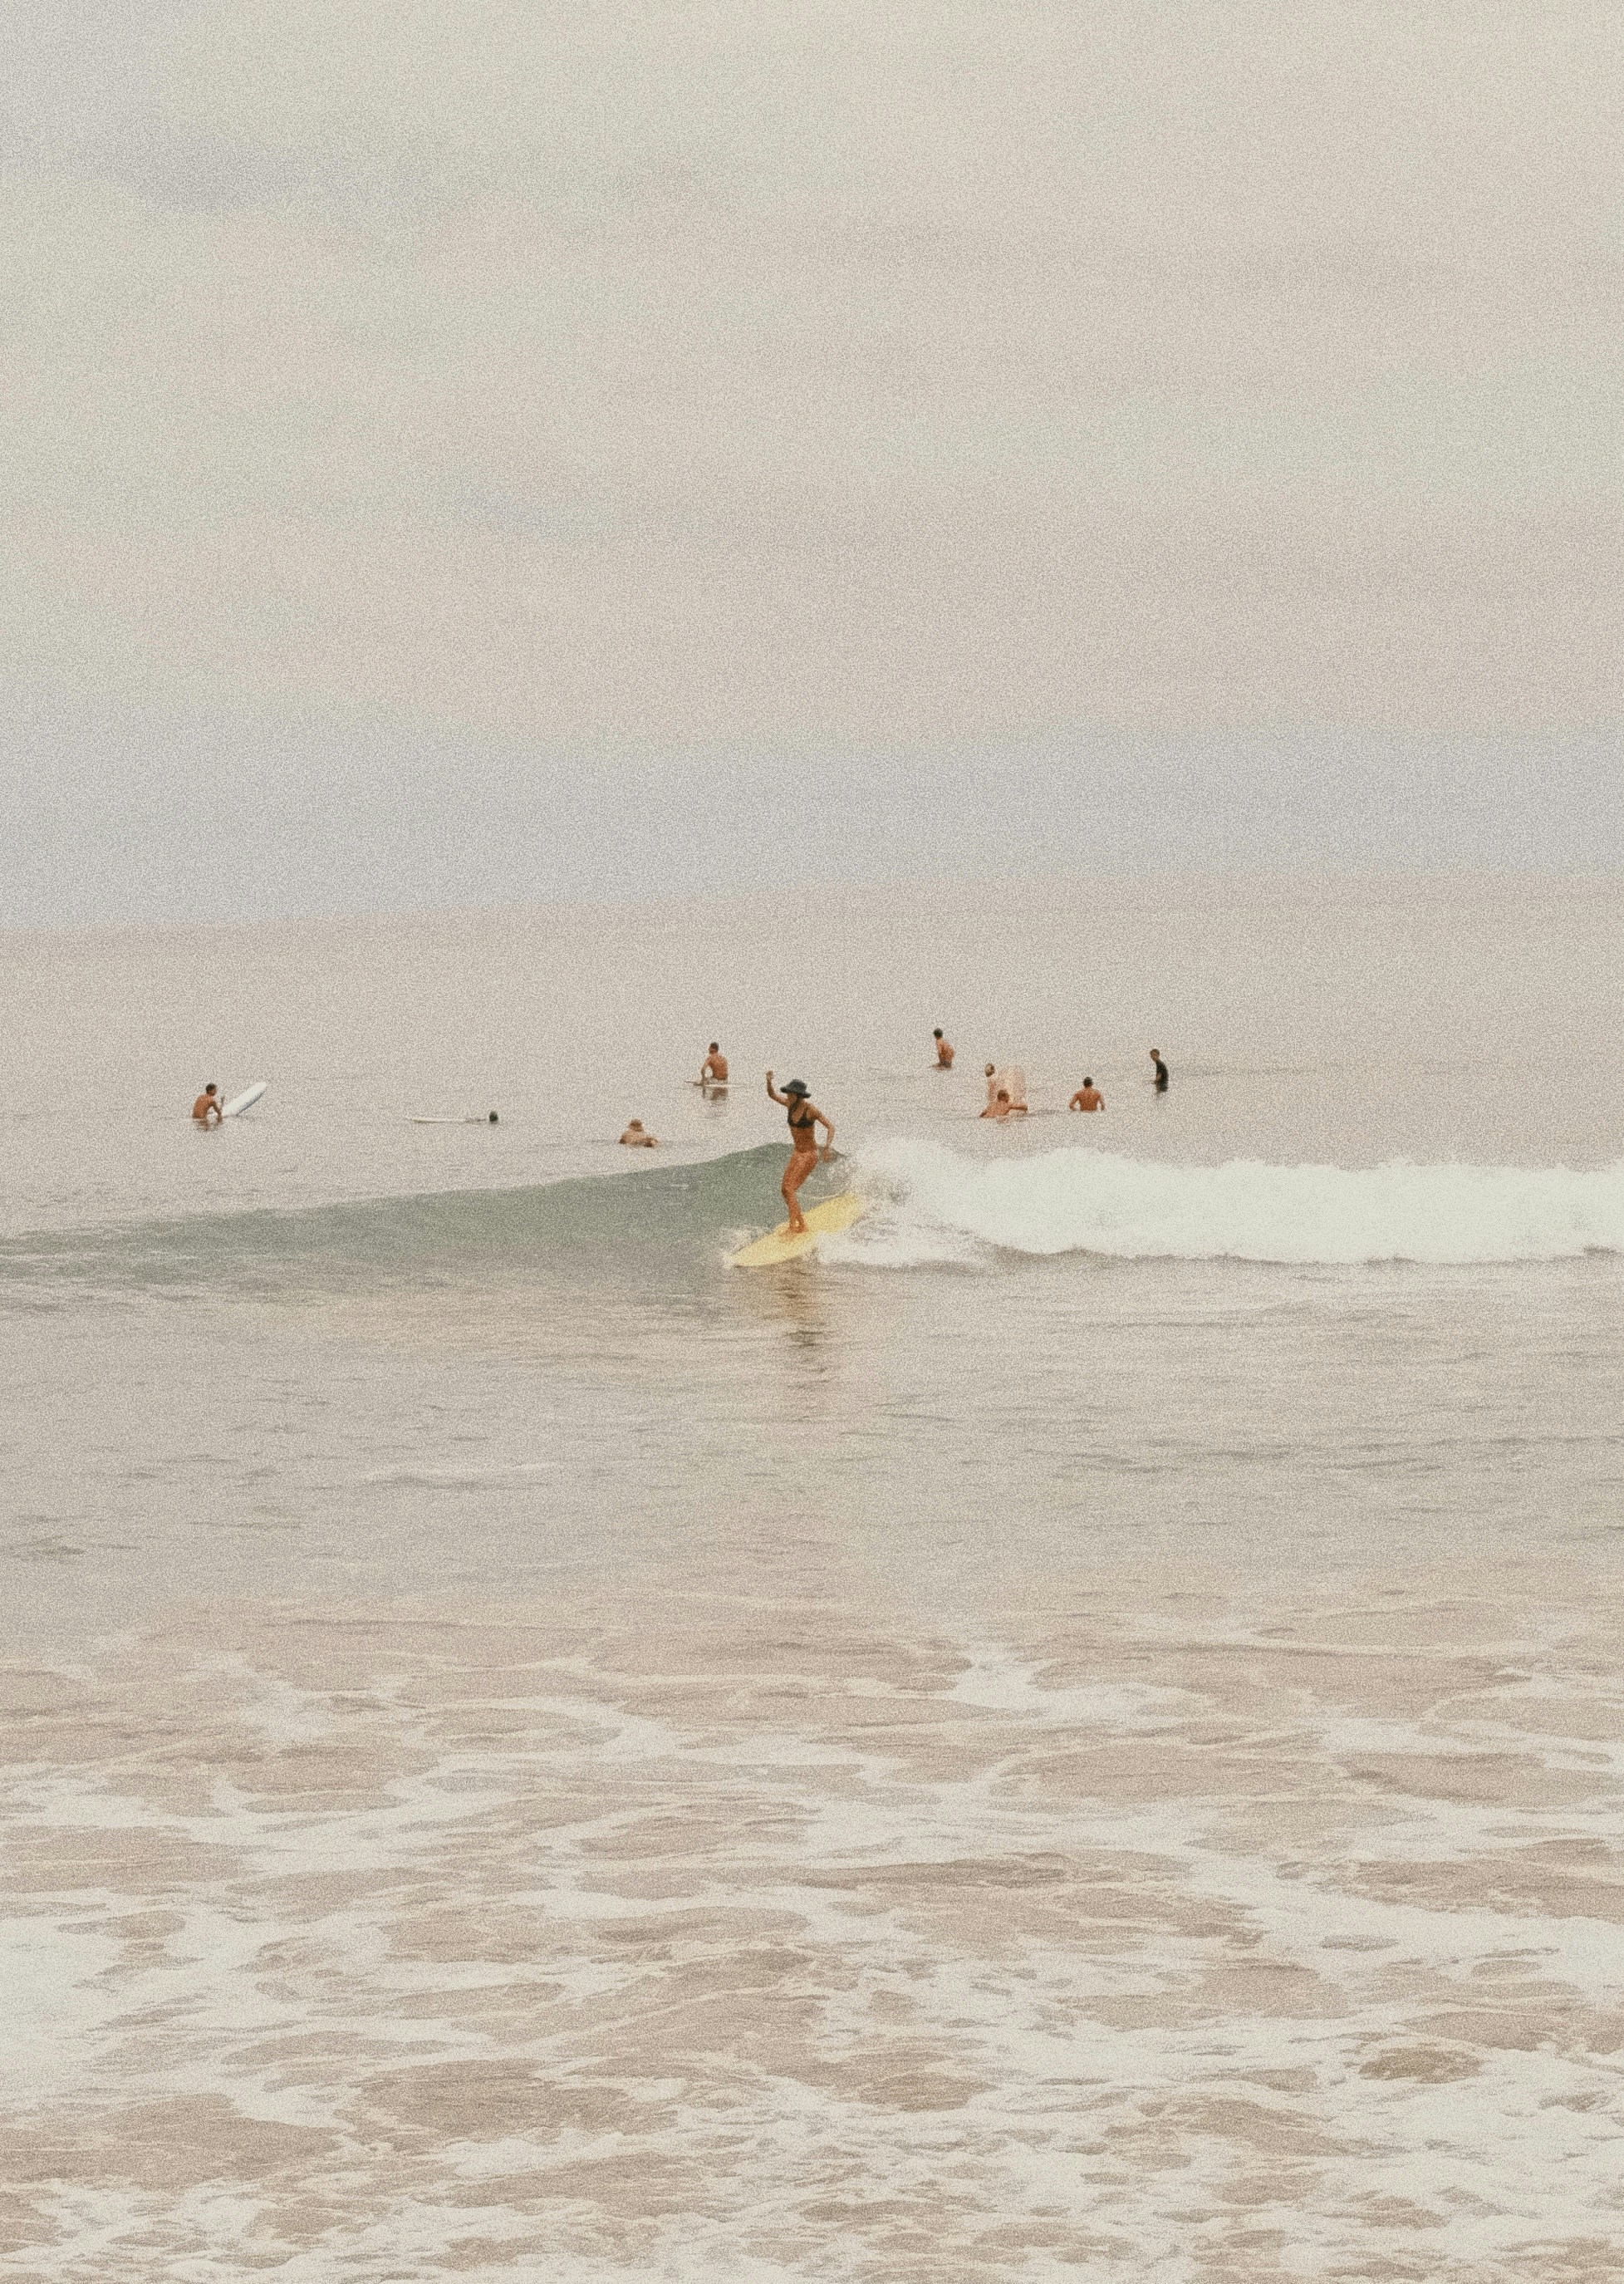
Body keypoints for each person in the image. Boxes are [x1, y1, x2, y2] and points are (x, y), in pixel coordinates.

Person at [765, 1070, 834, 1234]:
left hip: (809, 1154)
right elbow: (772, 1095)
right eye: (787, 1093)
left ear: (798, 1095)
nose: (787, 1096)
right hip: (797, 1153)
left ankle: (792, 1228)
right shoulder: (790, 1105)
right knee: (784, 1190)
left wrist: (827, 1146)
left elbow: (830, 1127)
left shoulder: (811, 1111)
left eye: (790, 1093)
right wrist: (768, 1081)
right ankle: (801, 1224)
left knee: (790, 1189)